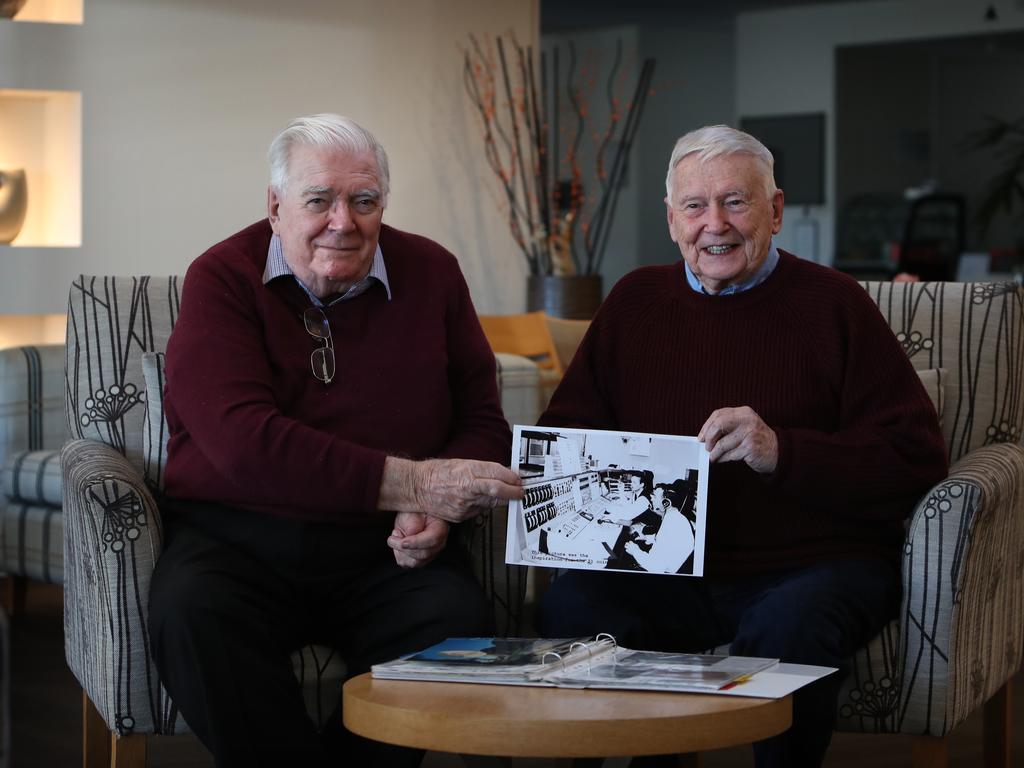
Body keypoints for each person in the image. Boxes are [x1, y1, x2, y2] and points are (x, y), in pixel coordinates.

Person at [536, 125, 947, 768]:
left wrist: (781, 451)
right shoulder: (634, 302)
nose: (715, 225)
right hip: (662, 566)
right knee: (569, 605)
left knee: (791, 626)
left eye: (736, 201)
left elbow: (916, 455)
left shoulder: (836, 305)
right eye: (695, 206)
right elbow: (565, 435)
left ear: (775, 210)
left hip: (811, 566)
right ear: (671, 219)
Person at [147, 114, 523, 768]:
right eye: (318, 200)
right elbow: (243, 443)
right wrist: (416, 482)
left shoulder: (431, 272)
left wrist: (431, 509)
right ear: (275, 205)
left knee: (455, 622)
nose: (343, 221)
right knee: (192, 615)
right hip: (237, 539)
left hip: (384, 549)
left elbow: (482, 418)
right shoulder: (221, 279)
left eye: (364, 200)